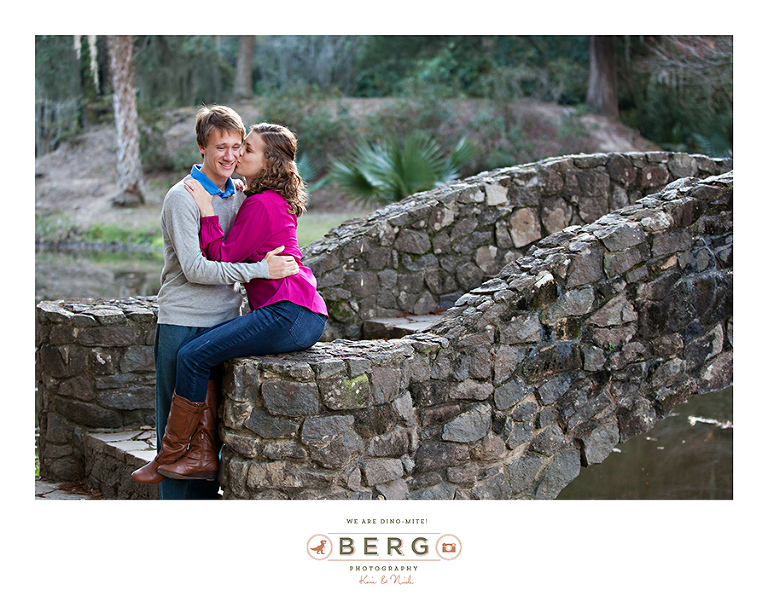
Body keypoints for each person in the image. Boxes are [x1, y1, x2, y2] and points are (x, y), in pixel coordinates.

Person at [144, 122, 328, 485]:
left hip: (286, 311)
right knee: (198, 356)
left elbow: (218, 254)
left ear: (269, 161)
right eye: (234, 147)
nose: (238, 154)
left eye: (247, 149)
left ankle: (183, 454)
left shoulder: (260, 203)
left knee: (193, 356)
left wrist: (206, 208)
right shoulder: (261, 198)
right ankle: (189, 455)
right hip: (299, 311)